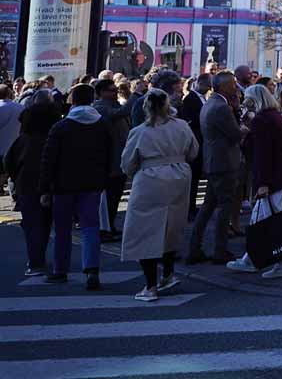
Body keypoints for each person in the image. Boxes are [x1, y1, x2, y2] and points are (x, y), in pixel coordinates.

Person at [120, 88, 198, 301]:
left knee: (145, 229)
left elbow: (127, 163)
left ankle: (150, 285)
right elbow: (193, 151)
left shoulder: (140, 131)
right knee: (172, 226)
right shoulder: (181, 126)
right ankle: (168, 273)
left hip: (150, 179)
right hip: (179, 175)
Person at [39, 82, 111, 287]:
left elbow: (48, 159)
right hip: (92, 184)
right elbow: (108, 155)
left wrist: (45, 187)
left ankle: (60, 269)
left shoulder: (61, 126)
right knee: (90, 227)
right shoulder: (102, 124)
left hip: (63, 185)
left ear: (72, 100)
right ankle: (91, 270)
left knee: (62, 229)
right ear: (92, 99)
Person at [227, 84, 282, 278]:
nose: (244, 101)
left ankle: (281, 262)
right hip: (277, 175)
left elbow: (262, 154)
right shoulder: (273, 117)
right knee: (266, 219)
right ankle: (253, 259)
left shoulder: (261, 120)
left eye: (247, 98)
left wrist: (263, 182)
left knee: (267, 221)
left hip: (270, 178)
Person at [188, 72, 246, 265]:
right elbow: (235, 134)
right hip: (224, 163)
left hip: (215, 162)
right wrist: (246, 128)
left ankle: (195, 248)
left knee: (208, 207)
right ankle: (219, 249)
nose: (235, 86)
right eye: (232, 84)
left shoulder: (211, 103)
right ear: (223, 86)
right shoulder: (220, 107)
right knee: (224, 206)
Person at [7, 89, 60, 276]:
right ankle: (44, 257)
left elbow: (9, 161)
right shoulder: (56, 135)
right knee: (46, 222)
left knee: (31, 224)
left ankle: (35, 261)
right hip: (53, 183)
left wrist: (15, 178)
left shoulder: (24, 139)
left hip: (26, 183)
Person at [92, 77, 131, 241]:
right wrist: (135, 95)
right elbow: (119, 114)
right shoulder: (100, 107)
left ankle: (111, 226)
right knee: (108, 199)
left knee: (115, 197)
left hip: (119, 160)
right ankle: (104, 229)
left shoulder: (115, 106)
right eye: (111, 90)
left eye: (116, 90)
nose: (115, 93)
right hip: (110, 161)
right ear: (101, 93)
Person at [178, 73, 209, 217]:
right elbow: (190, 120)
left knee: (196, 177)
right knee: (193, 177)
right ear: (200, 84)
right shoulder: (190, 98)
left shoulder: (202, 98)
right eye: (207, 85)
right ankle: (189, 207)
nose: (209, 88)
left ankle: (192, 205)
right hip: (195, 140)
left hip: (201, 141)